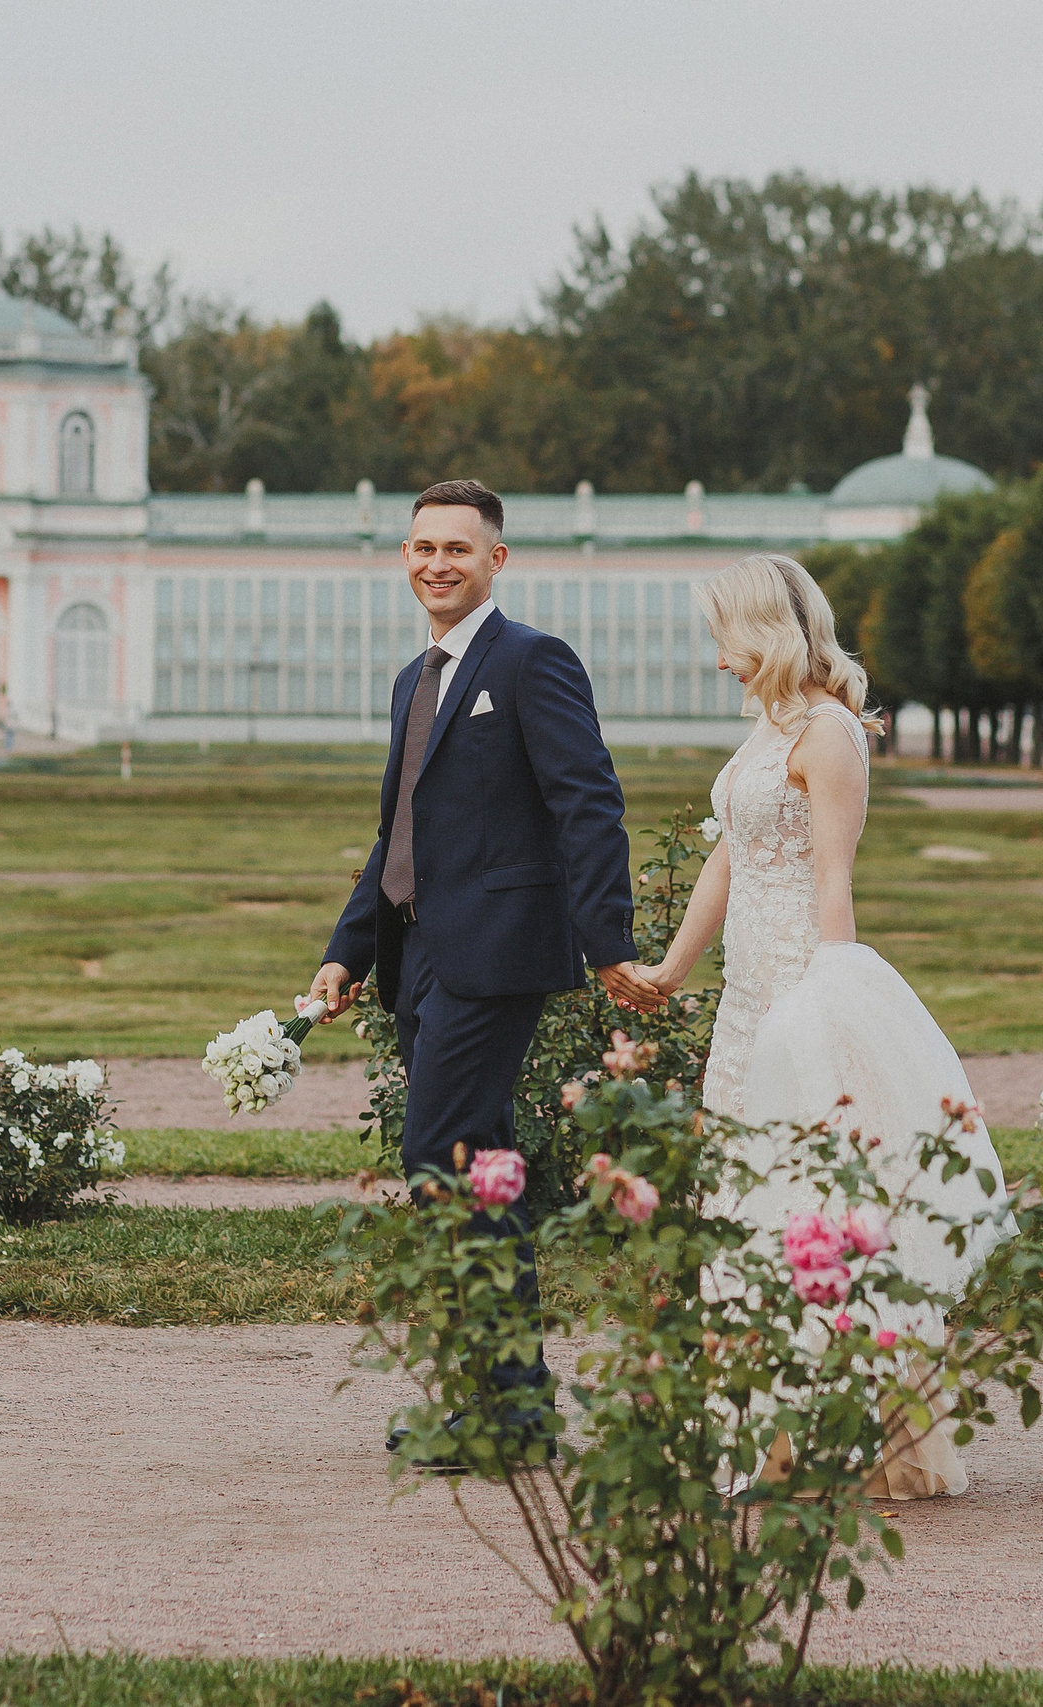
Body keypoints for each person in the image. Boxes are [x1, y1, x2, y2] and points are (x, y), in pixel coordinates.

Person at [631, 552, 1007, 1498]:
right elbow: (730, 855)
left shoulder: (832, 732)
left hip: (802, 984)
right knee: (740, 1202)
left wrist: (833, 997)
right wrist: (675, 967)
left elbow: (833, 872)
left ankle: (832, 1433)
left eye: (726, 638)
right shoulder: (765, 728)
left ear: (765, 631)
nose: (718, 659)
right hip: (744, 1001)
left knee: (809, 1203)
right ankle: (751, 1429)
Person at [306, 479, 660, 1452]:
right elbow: (399, 835)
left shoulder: (532, 660)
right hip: (417, 959)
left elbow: (589, 804)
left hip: (495, 957)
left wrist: (611, 943)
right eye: (422, 549)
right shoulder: (412, 680)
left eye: (457, 549)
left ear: (495, 560)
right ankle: (507, 1402)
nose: (436, 564)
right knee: (483, 1166)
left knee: (443, 1164)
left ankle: (505, 1412)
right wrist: (348, 950)